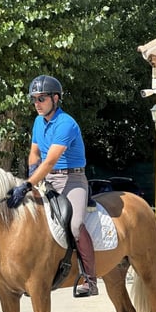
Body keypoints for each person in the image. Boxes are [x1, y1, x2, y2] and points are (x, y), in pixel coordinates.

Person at [6, 74, 98, 297]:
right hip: (46, 178)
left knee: (75, 225)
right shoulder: (39, 122)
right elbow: (35, 153)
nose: (37, 104)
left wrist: (28, 184)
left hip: (72, 179)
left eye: (42, 99)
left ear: (55, 98)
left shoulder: (66, 123)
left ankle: (90, 278)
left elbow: (49, 161)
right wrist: (30, 176)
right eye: (34, 99)